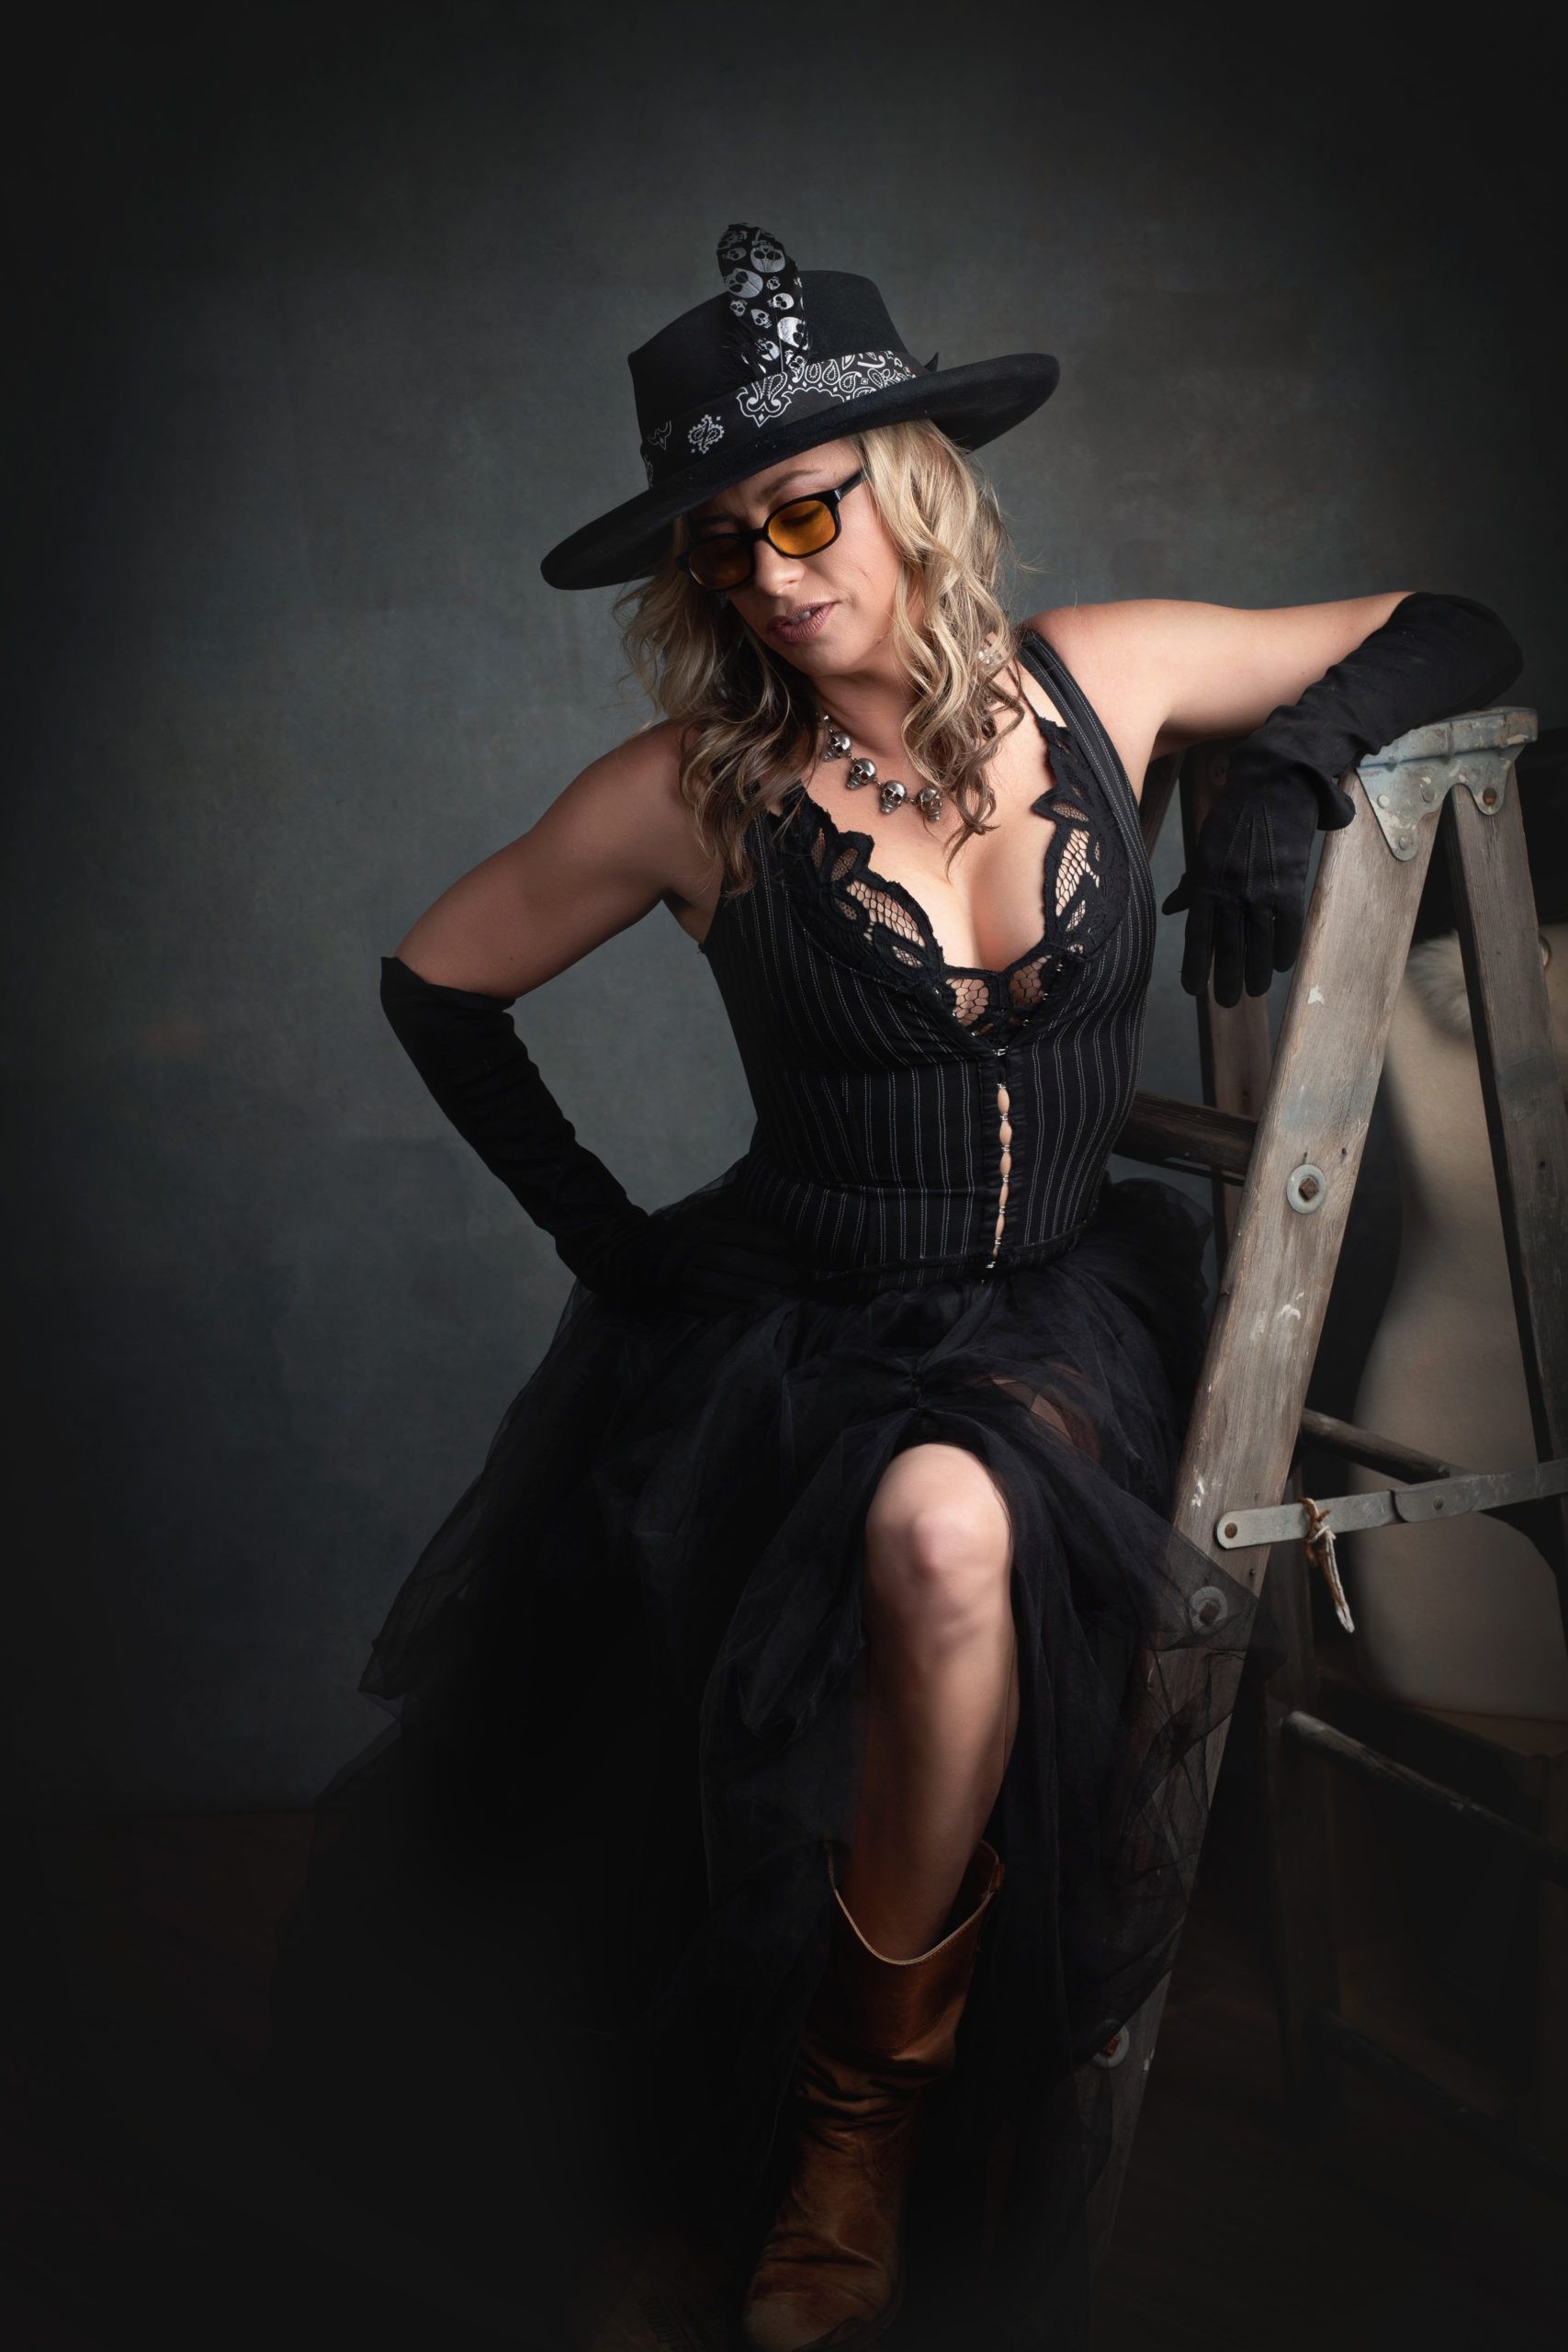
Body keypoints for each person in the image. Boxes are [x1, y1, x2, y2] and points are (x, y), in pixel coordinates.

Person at [263, 224, 1523, 2352]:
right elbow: (434, 978)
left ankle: (860, 2126)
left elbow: (1453, 622)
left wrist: (1294, 776)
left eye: (807, 506)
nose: (767, 569)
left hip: (1051, 1311)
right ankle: (823, 2144)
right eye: (723, 541)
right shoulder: (694, 798)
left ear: (910, 480)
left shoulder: (1100, 671)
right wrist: (613, 1243)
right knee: (832, 1617)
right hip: (790, 1325)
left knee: (944, 1522)